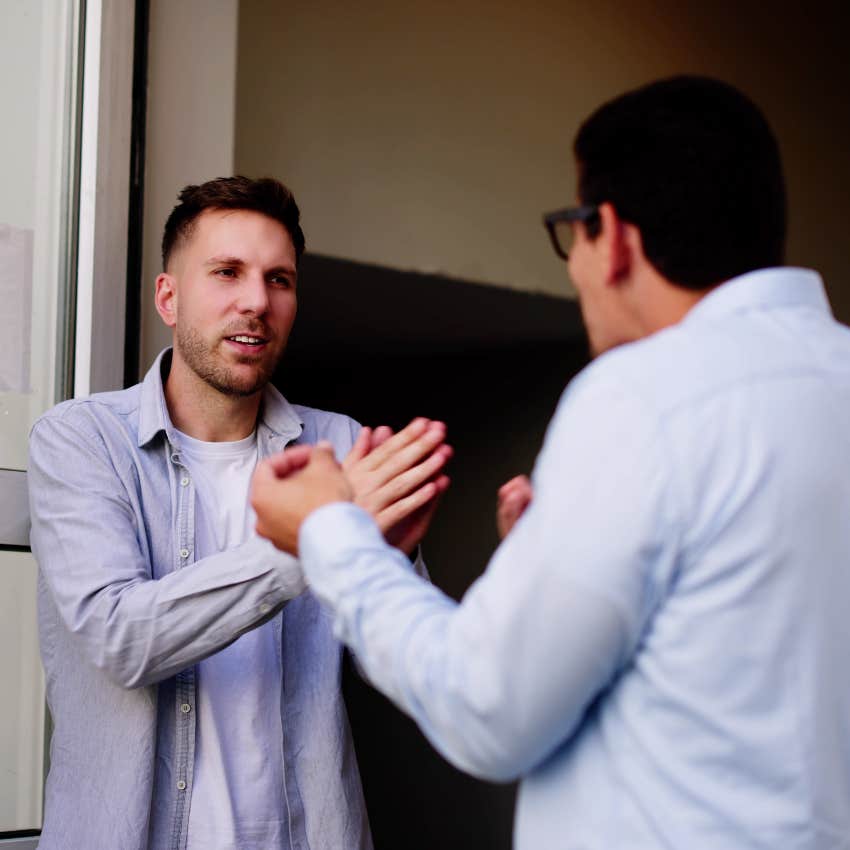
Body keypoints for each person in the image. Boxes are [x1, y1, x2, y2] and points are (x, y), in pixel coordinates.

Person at [250, 76, 850, 849]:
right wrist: (563, 553)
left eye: (574, 235)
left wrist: (331, 535)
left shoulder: (642, 399)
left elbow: (487, 710)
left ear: (614, 237)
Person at [28, 176, 451, 850]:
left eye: (279, 281)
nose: (257, 301)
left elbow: (419, 676)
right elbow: (120, 638)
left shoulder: (338, 445)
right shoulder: (81, 440)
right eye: (227, 272)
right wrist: (317, 539)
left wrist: (391, 563)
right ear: (169, 297)